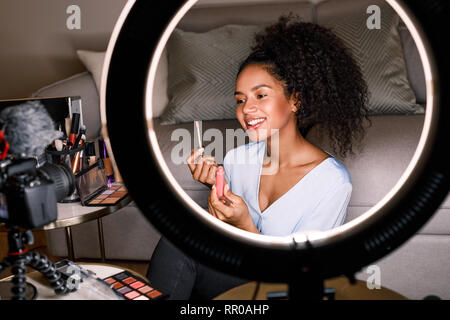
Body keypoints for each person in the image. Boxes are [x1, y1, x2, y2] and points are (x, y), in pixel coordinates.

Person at [147, 15, 371, 299]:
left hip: (281, 289)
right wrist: (215, 185)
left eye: (260, 95)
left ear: (295, 100)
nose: (247, 109)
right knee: (179, 237)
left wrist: (246, 226)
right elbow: (223, 231)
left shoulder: (332, 183)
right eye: (240, 100)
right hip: (236, 275)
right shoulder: (236, 159)